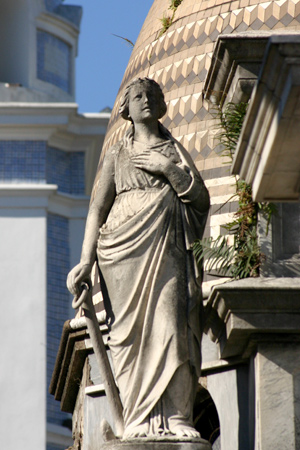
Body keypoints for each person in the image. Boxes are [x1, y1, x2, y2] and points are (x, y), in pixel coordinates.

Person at [67, 78, 210, 439]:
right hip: (121, 258)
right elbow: (96, 210)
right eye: (138, 96)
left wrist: (167, 169)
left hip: (167, 250)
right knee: (129, 342)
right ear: (126, 109)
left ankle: (176, 417)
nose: (146, 101)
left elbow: (201, 201)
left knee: (172, 327)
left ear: (162, 104)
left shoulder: (172, 150)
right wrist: (86, 262)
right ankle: (137, 420)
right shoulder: (118, 154)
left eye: (152, 96)